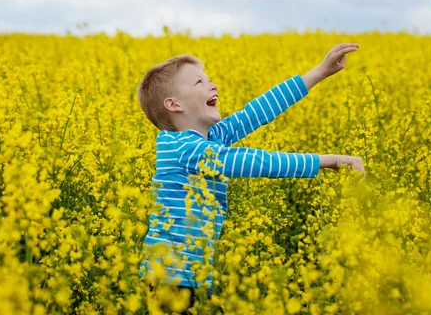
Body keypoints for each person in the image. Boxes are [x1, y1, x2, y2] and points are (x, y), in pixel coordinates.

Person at [136, 43, 365, 311]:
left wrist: (319, 72)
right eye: (200, 82)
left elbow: (257, 112)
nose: (213, 85)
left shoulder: (212, 138)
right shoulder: (182, 148)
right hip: (169, 280)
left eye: (209, 79)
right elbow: (253, 162)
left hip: (192, 277)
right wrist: (326, 161)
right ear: (173, 104)